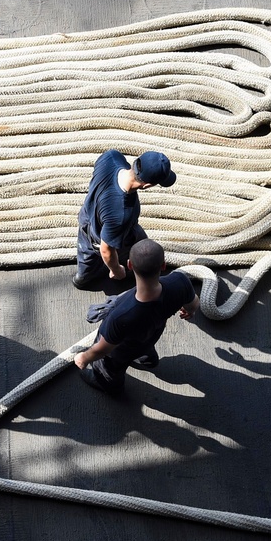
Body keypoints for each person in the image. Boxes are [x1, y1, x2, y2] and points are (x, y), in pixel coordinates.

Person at [73, 239, 200, 396]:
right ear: (163, 265)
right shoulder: (179, 281)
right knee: (145, 342)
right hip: (151, 334)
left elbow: (103, 349)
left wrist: (84, 357)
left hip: (123, 349)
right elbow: (193, 303)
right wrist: (190, 311)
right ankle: (148, 358)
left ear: (129, 265)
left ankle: (110, 385)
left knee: (110, 367)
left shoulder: (120, 316)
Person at [73, 149, 177, 289]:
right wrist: (116, 270)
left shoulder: (110, 157)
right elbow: (106, 249)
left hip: (87, 216)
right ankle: (83, 279)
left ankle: (83, 274)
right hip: (99, 237)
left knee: (144, 246)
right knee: (87, 270)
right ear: (146, 185)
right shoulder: (121, 213)